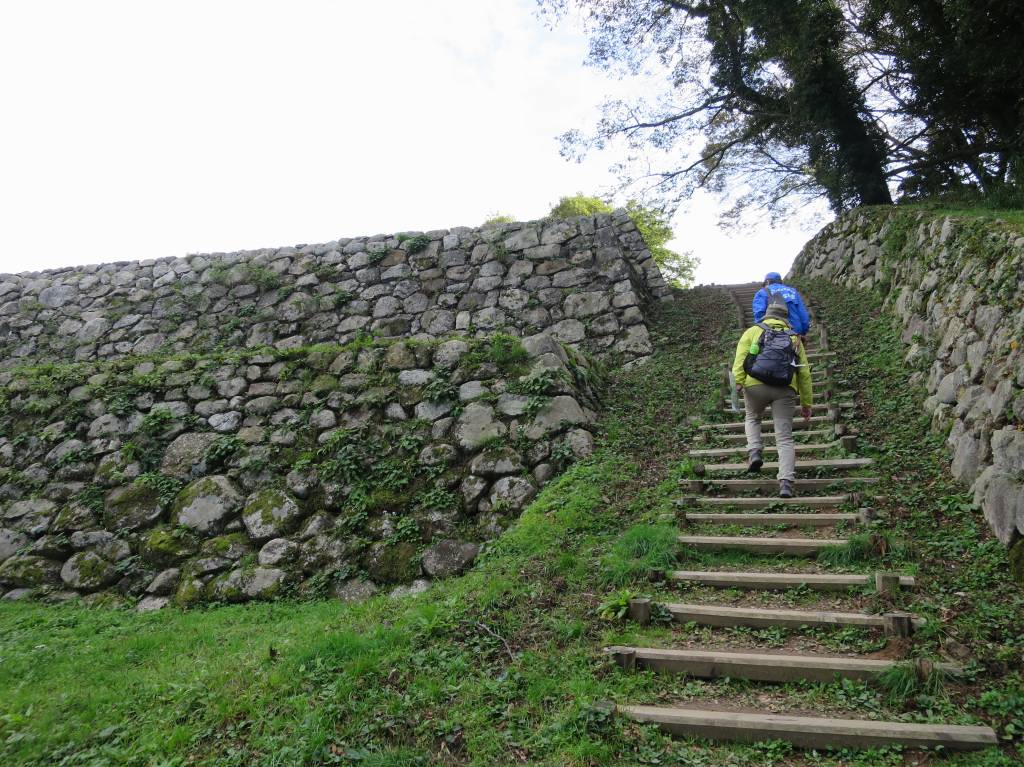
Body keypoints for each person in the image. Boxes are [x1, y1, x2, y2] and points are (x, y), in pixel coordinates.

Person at [732, 294, 813, 498]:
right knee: (784, 437)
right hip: (785, 389)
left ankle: (755, 451)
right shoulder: (794, 337)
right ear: (786, 317)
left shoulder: (752, 331)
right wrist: (806, 403)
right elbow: (804, 373)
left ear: (767, 314)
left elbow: (740, 360)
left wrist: (739, 382)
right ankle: (786, 482)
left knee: (752, 417)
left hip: (755, 385)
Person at [752, 272, 811, 337]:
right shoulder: (792, 291)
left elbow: (759, 314)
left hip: (772, 335)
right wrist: (803, 332)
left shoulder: (761, 293)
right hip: (795, 332)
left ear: (767, 282)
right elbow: (803, 314)